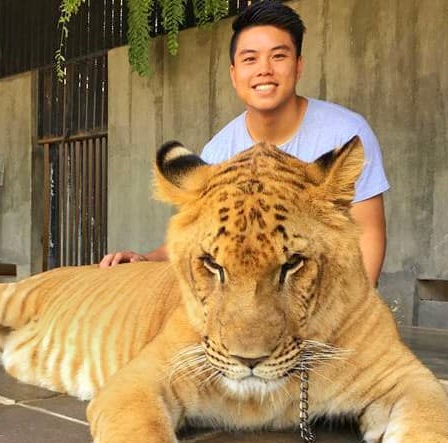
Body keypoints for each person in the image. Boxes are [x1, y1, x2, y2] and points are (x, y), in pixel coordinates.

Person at [100, 0, 388, 286]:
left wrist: (349, 313)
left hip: (320, 294)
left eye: (278, 56)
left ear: (298, 66)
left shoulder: (345, 135)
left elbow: (368, 233)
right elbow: (203, 236)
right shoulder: (219, 152)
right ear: (234, 74)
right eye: (250, 59)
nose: (264, 69)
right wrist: (145, 259)